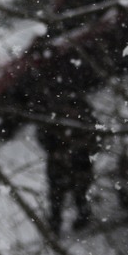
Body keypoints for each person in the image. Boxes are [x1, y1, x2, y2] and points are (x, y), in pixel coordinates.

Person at [36, 96, 101, 234]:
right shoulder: (54, 113)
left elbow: (96, 136)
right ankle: (55, 224)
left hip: (81, 164)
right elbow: (42, 133)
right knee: (56, 197)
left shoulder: (84, 114)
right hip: (58, 165)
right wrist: (55, 151)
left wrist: (82, 148)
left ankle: (83, 218)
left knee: (81, 194)